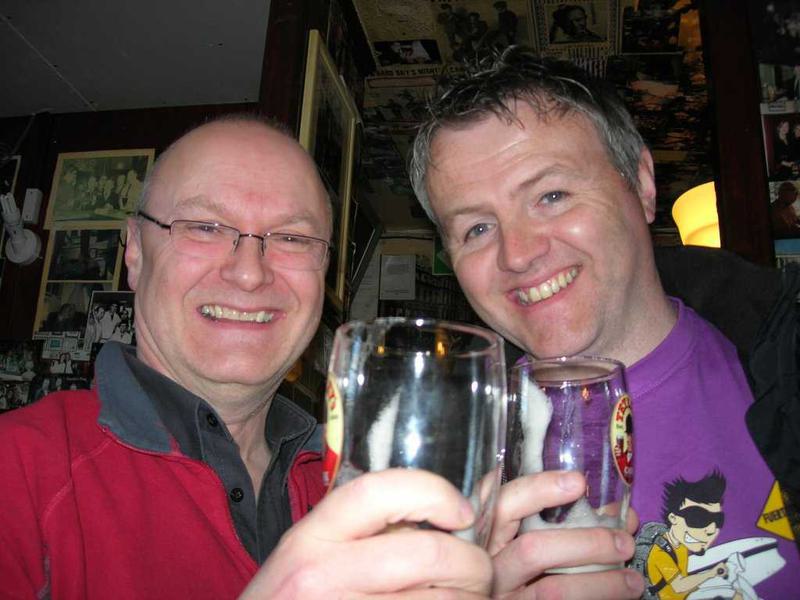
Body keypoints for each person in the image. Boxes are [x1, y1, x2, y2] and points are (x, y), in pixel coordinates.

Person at [0, 114, 630, 598]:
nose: (250, 272)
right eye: (206, 228)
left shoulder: (357, 481)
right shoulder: (19, 472)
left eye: (292, 238)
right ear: (135, 253)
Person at [410, 47, 800, 598]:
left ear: (641, 183)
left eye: (551, 195)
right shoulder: (435, 463)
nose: (517, 254)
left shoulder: (785, 356)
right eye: (477, 228)